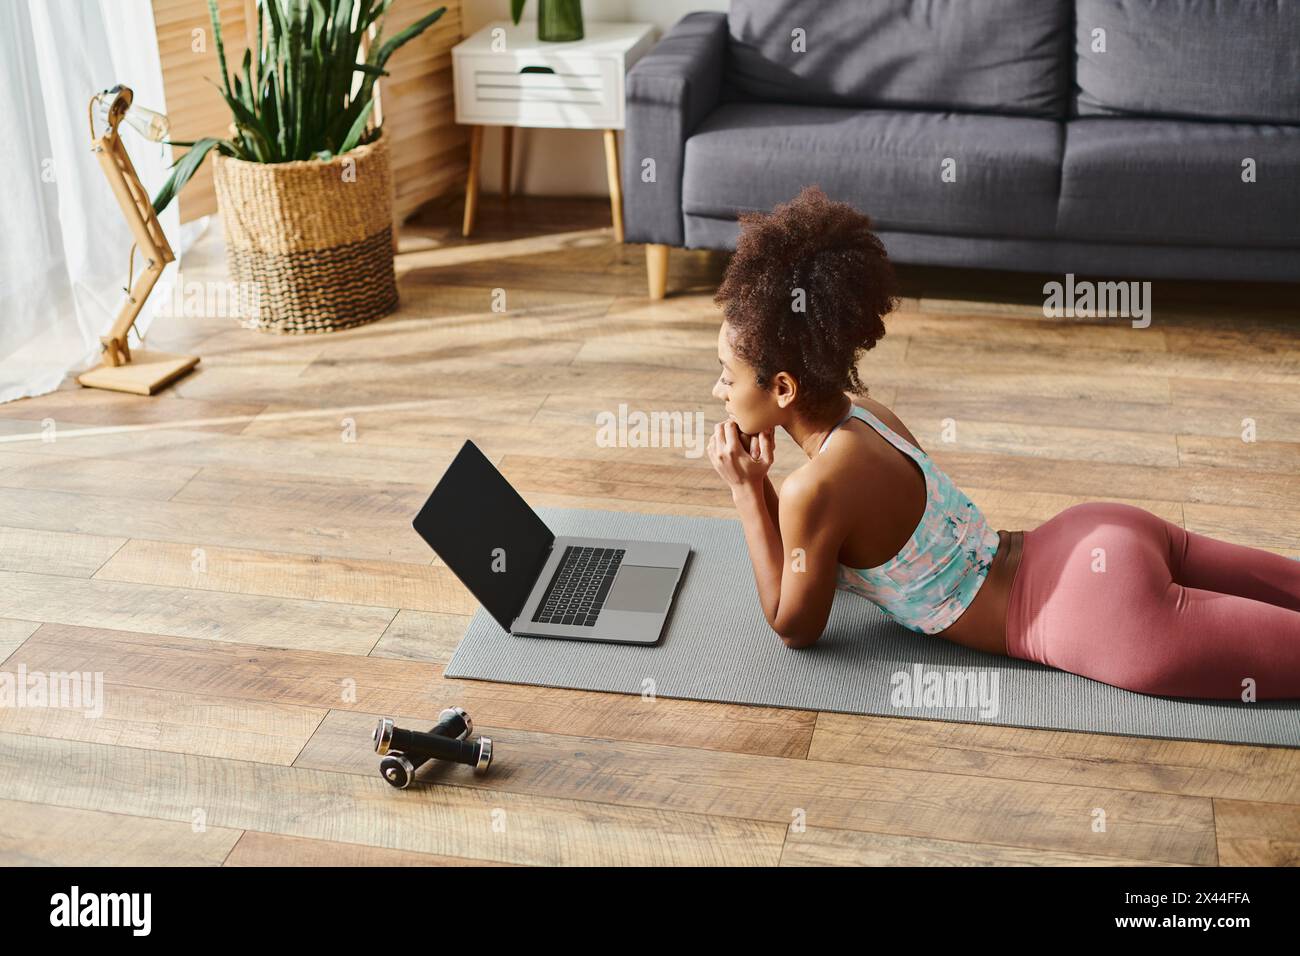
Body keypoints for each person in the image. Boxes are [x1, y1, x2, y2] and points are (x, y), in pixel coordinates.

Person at [705, 186, 1300, 701]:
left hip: (1089, 615)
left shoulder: (813, 489)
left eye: (728, 376)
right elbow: (822, 558)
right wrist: (763, 489)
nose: (719, 389)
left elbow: (793, 627)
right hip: (1091, 534)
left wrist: (744, 493)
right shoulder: (868, 416)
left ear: (783, 387)